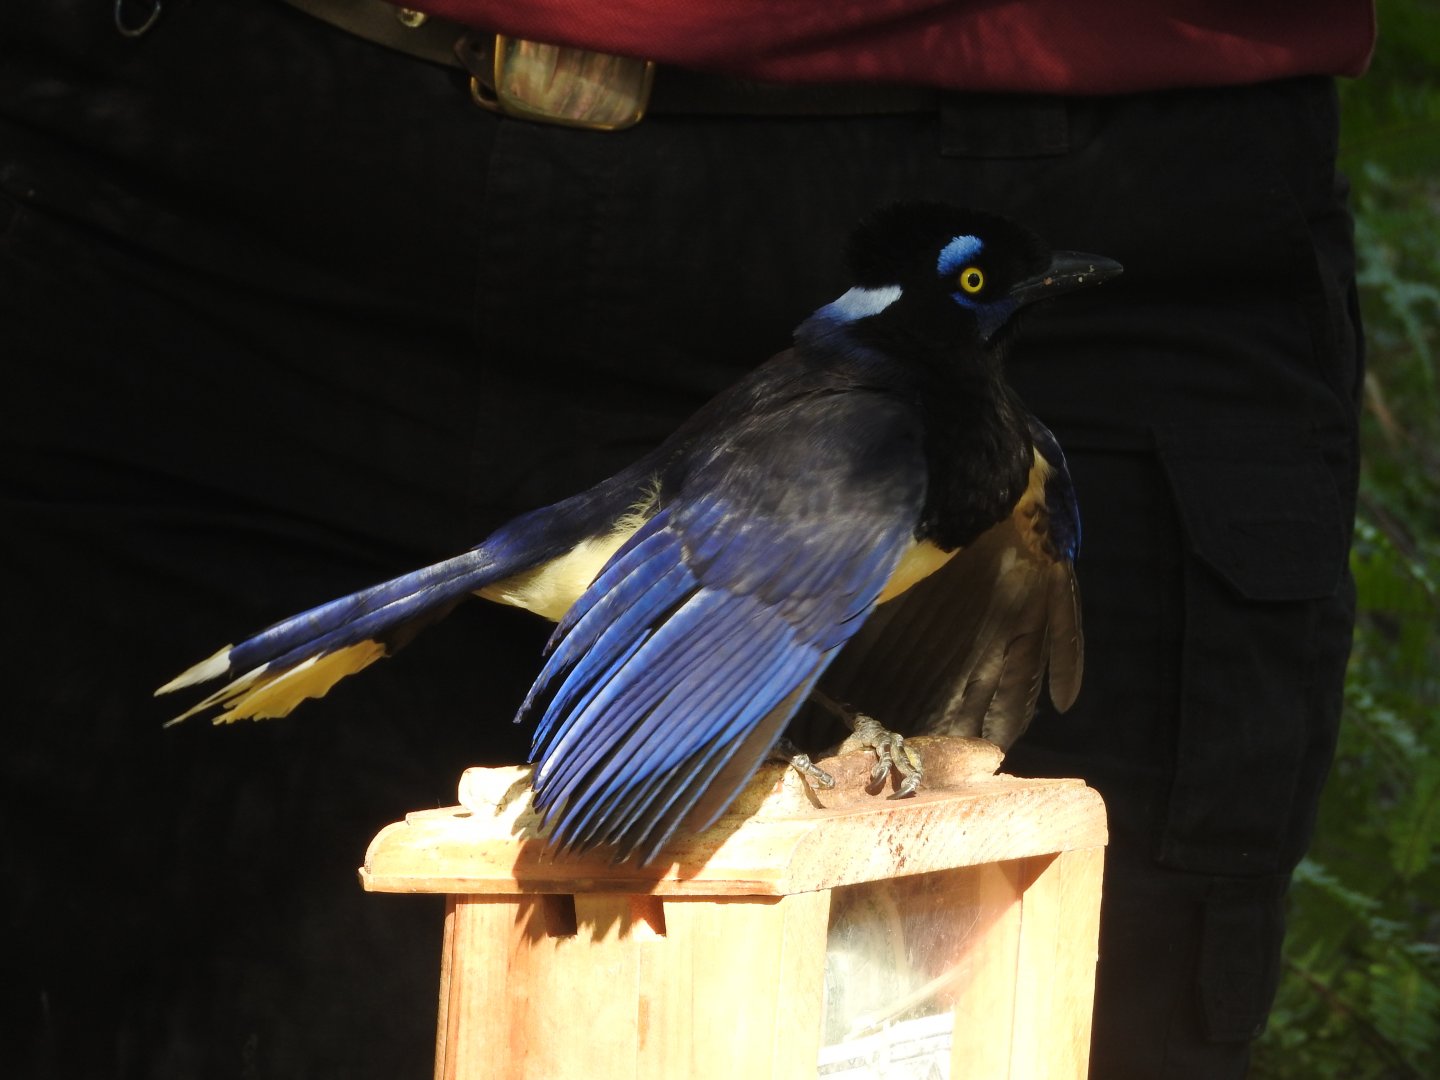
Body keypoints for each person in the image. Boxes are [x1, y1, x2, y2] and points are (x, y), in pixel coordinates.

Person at [1, 2, 1372, 1076]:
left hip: (1099, 127)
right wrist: (625, 814)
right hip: (223, 178)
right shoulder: (867, 443)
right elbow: (735, 620)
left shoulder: (947, 433)